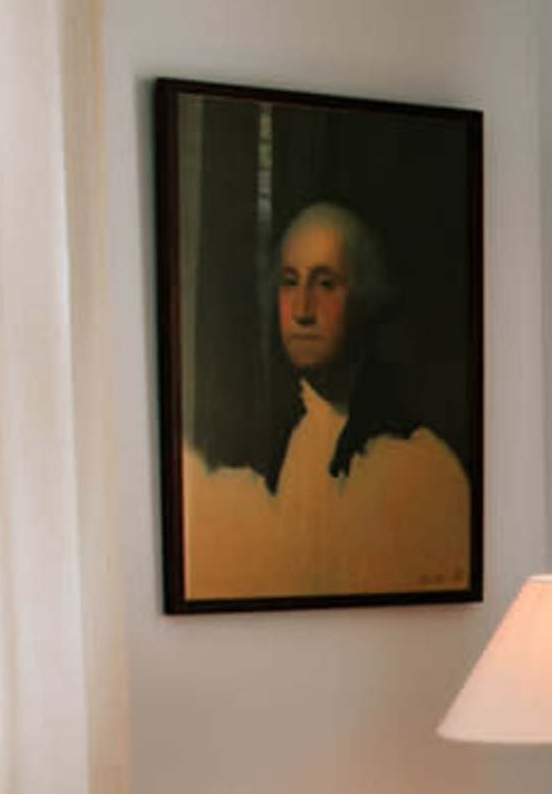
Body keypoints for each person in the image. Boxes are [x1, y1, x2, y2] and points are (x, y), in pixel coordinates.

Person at [181, 198, 472, 599]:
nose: (302, 310)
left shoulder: (420, 464)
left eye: (325, 284)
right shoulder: (279, 446)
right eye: (289, 281)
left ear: (364, 298)